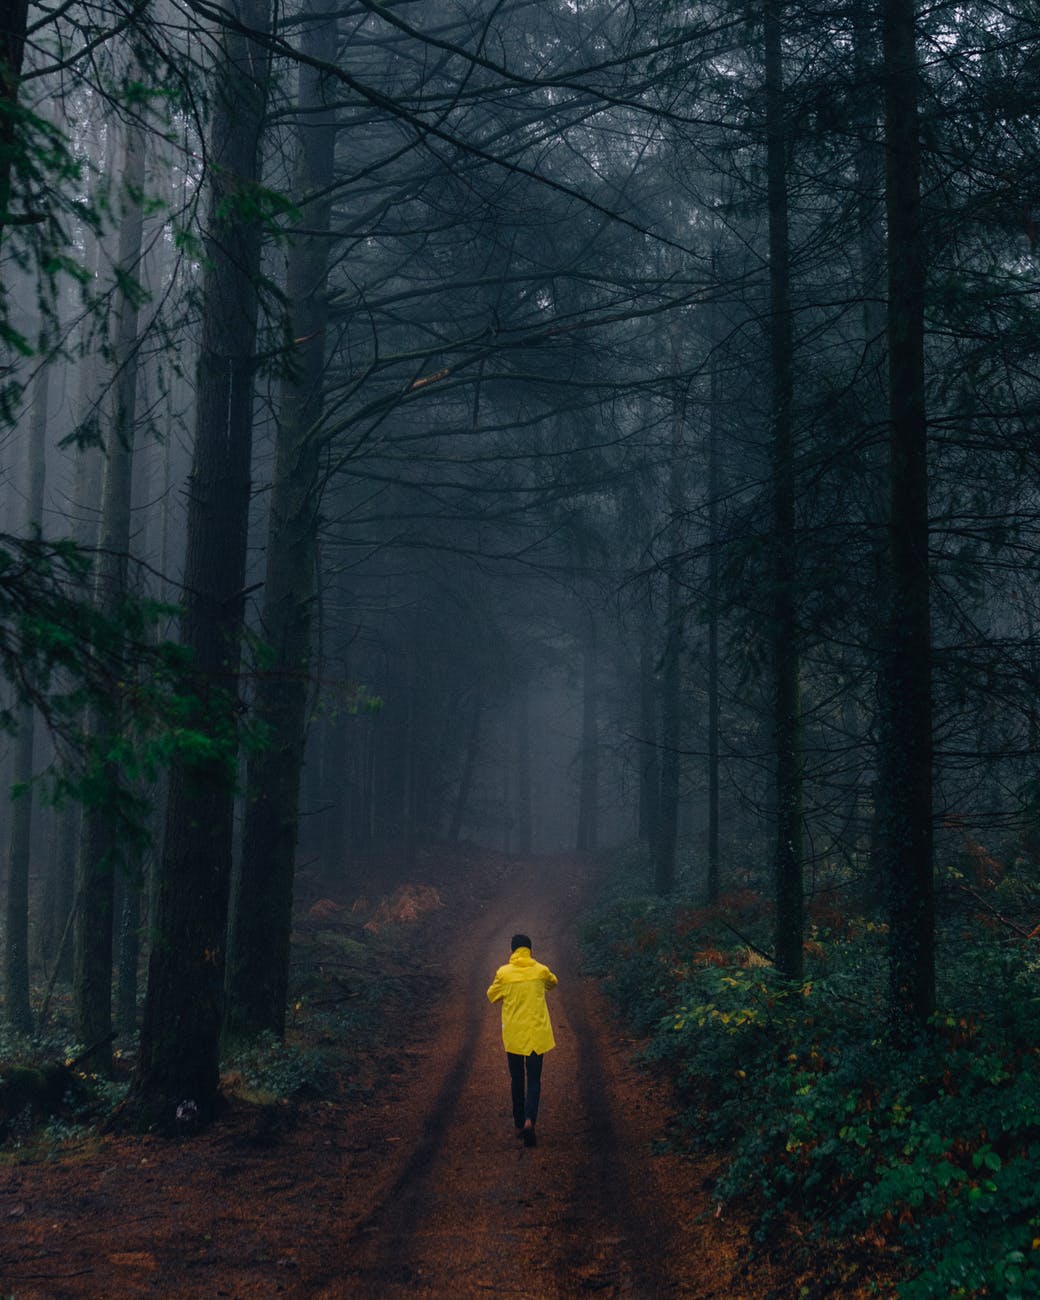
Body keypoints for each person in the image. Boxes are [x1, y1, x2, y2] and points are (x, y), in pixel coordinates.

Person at [486, 932, 558, 1147]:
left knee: (517, 1080)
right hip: (536, 1034)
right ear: (530, 950)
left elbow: (492, 995)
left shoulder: (503, 973)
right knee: (534, 1080)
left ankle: (518, 1124)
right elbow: (553, 982)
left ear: (512, 951)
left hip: (515, 1037)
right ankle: (530, 1119)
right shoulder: (541, 971)